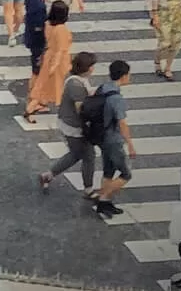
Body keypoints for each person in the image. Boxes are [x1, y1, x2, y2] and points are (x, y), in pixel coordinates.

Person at [39, 52, 99, 197]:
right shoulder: (76, 85)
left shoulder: (78, 80)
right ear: (87, 68)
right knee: (88, 156)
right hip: (75, 127)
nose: (93, 69)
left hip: (70, 124)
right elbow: (81, 110)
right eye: (92, 66)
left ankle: (48, 175)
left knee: (76, 154)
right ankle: (88, 189)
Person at [93, 60, 137, 218]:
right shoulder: (116, 98)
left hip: (101, 136)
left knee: (108, 170)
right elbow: (122, 123)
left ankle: (105, 202)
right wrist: (130, 144)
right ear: (124, 76)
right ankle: (103, 199)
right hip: (113, 139)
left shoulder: (103, 88)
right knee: (126, 174)